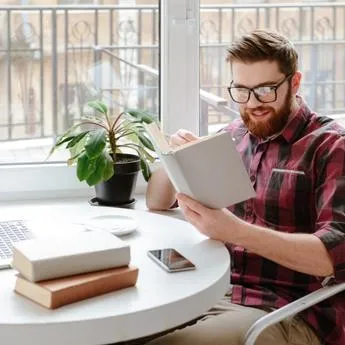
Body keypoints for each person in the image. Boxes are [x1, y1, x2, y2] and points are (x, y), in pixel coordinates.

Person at [145, 29, 345, 345]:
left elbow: (333, 257)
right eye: (241, 90)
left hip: (287, 310)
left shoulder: (329, 146)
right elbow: (157, 202)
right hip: (214, 290)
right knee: (115, 334)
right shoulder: (235, 136)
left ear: (294, 82)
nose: (253, 104)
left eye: (266, 89)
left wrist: (234, 231)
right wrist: (173, 158)